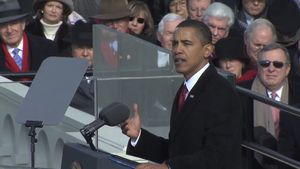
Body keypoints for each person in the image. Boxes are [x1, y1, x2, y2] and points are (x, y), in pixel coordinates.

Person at [121, 20, 242, 169]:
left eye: (186, 43)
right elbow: (177, 150)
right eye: (175, 43)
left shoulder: (221, 93)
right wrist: (138, 136)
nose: (178, 50)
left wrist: (168, 167)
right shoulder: (185, 89)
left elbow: (218, 156)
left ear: (207, 50)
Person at [239, 43, 300, 169]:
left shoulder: (298, 93)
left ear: (288, 69)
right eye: (265, 64)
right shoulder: (240, 93)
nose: (271, 69)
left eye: (278, 64)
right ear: (258, 67)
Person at [0, 0, 58, 75]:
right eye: (3, 26)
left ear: (23, 24)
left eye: (13, 23)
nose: (9, 30)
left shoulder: (48, 48)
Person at [66, 21, 94, 115]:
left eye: (90, 48)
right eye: (80, 47)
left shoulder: (109, 74)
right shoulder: (61, 76)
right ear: (72, 49)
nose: (85, 53)